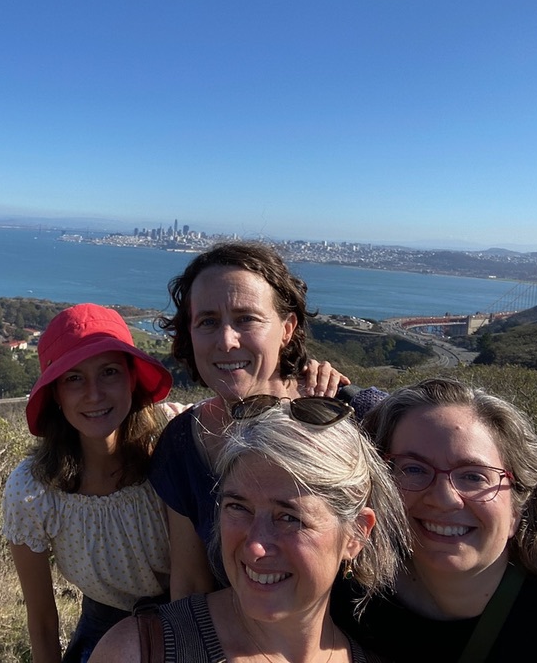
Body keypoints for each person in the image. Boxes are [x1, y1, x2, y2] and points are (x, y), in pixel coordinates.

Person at [333, 377, 537, 662]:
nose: (444, 498)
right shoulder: (344, 591)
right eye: (413, 469)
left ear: (518, 505)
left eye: (474, 476)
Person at [90, 399, 409, 663]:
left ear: (356, 534)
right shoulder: (139, 651)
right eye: (238, 508)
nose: (256, 545)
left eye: (289, 518)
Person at [148, 241, 378, 599]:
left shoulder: (354, 415)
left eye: (246, 319)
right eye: (207, 321)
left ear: (287, 328)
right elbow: (191, 585)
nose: (226, 341)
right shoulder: (183, 444)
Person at [2, 304, 177, 663]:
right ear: (56, 394)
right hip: (104, 635)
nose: (94, 394)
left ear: (132, 379)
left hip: (192, 618)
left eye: (109, 372)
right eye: (74, 378)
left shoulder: (173, 446)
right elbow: (42, 620)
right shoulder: (33, 491)